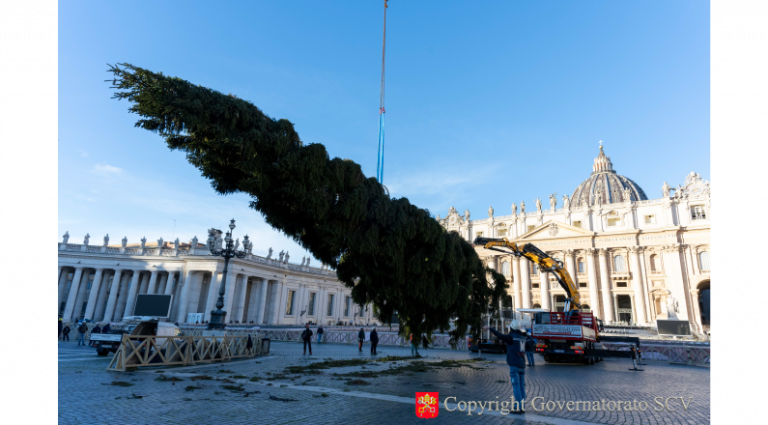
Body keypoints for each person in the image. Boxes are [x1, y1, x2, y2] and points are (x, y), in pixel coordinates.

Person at [488, 326, 527, 414]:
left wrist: (490, 328)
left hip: (514, 365)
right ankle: (522, 407)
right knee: (522, 387)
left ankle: (518, 407)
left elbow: (500, 335)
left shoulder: (511, 337)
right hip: (522, 365)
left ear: (511, 329)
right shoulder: (523, 338)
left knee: (516, 386)